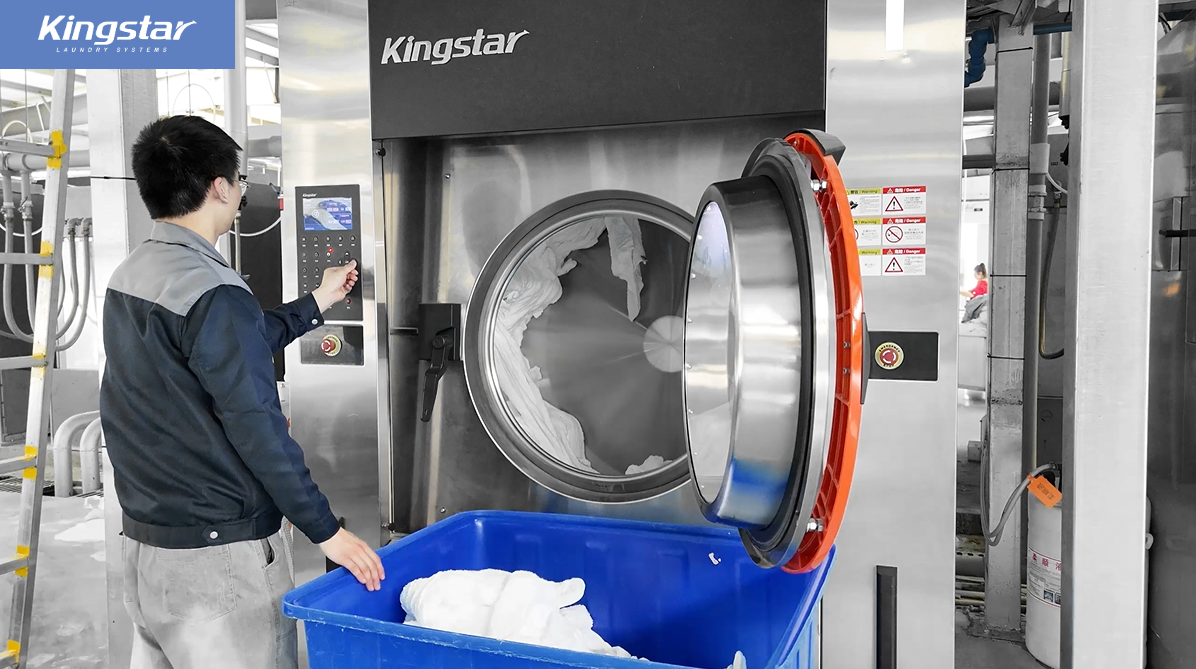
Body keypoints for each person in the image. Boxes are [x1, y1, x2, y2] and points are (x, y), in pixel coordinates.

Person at [99, 115, 384, 669]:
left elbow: (224, 350)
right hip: (217, 565)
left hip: (146, 551)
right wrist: (326, 532)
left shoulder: (133, 273)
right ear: (220, 188)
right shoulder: (214, 291)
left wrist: (315, 304)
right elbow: (258, 428)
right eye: (240, 180)